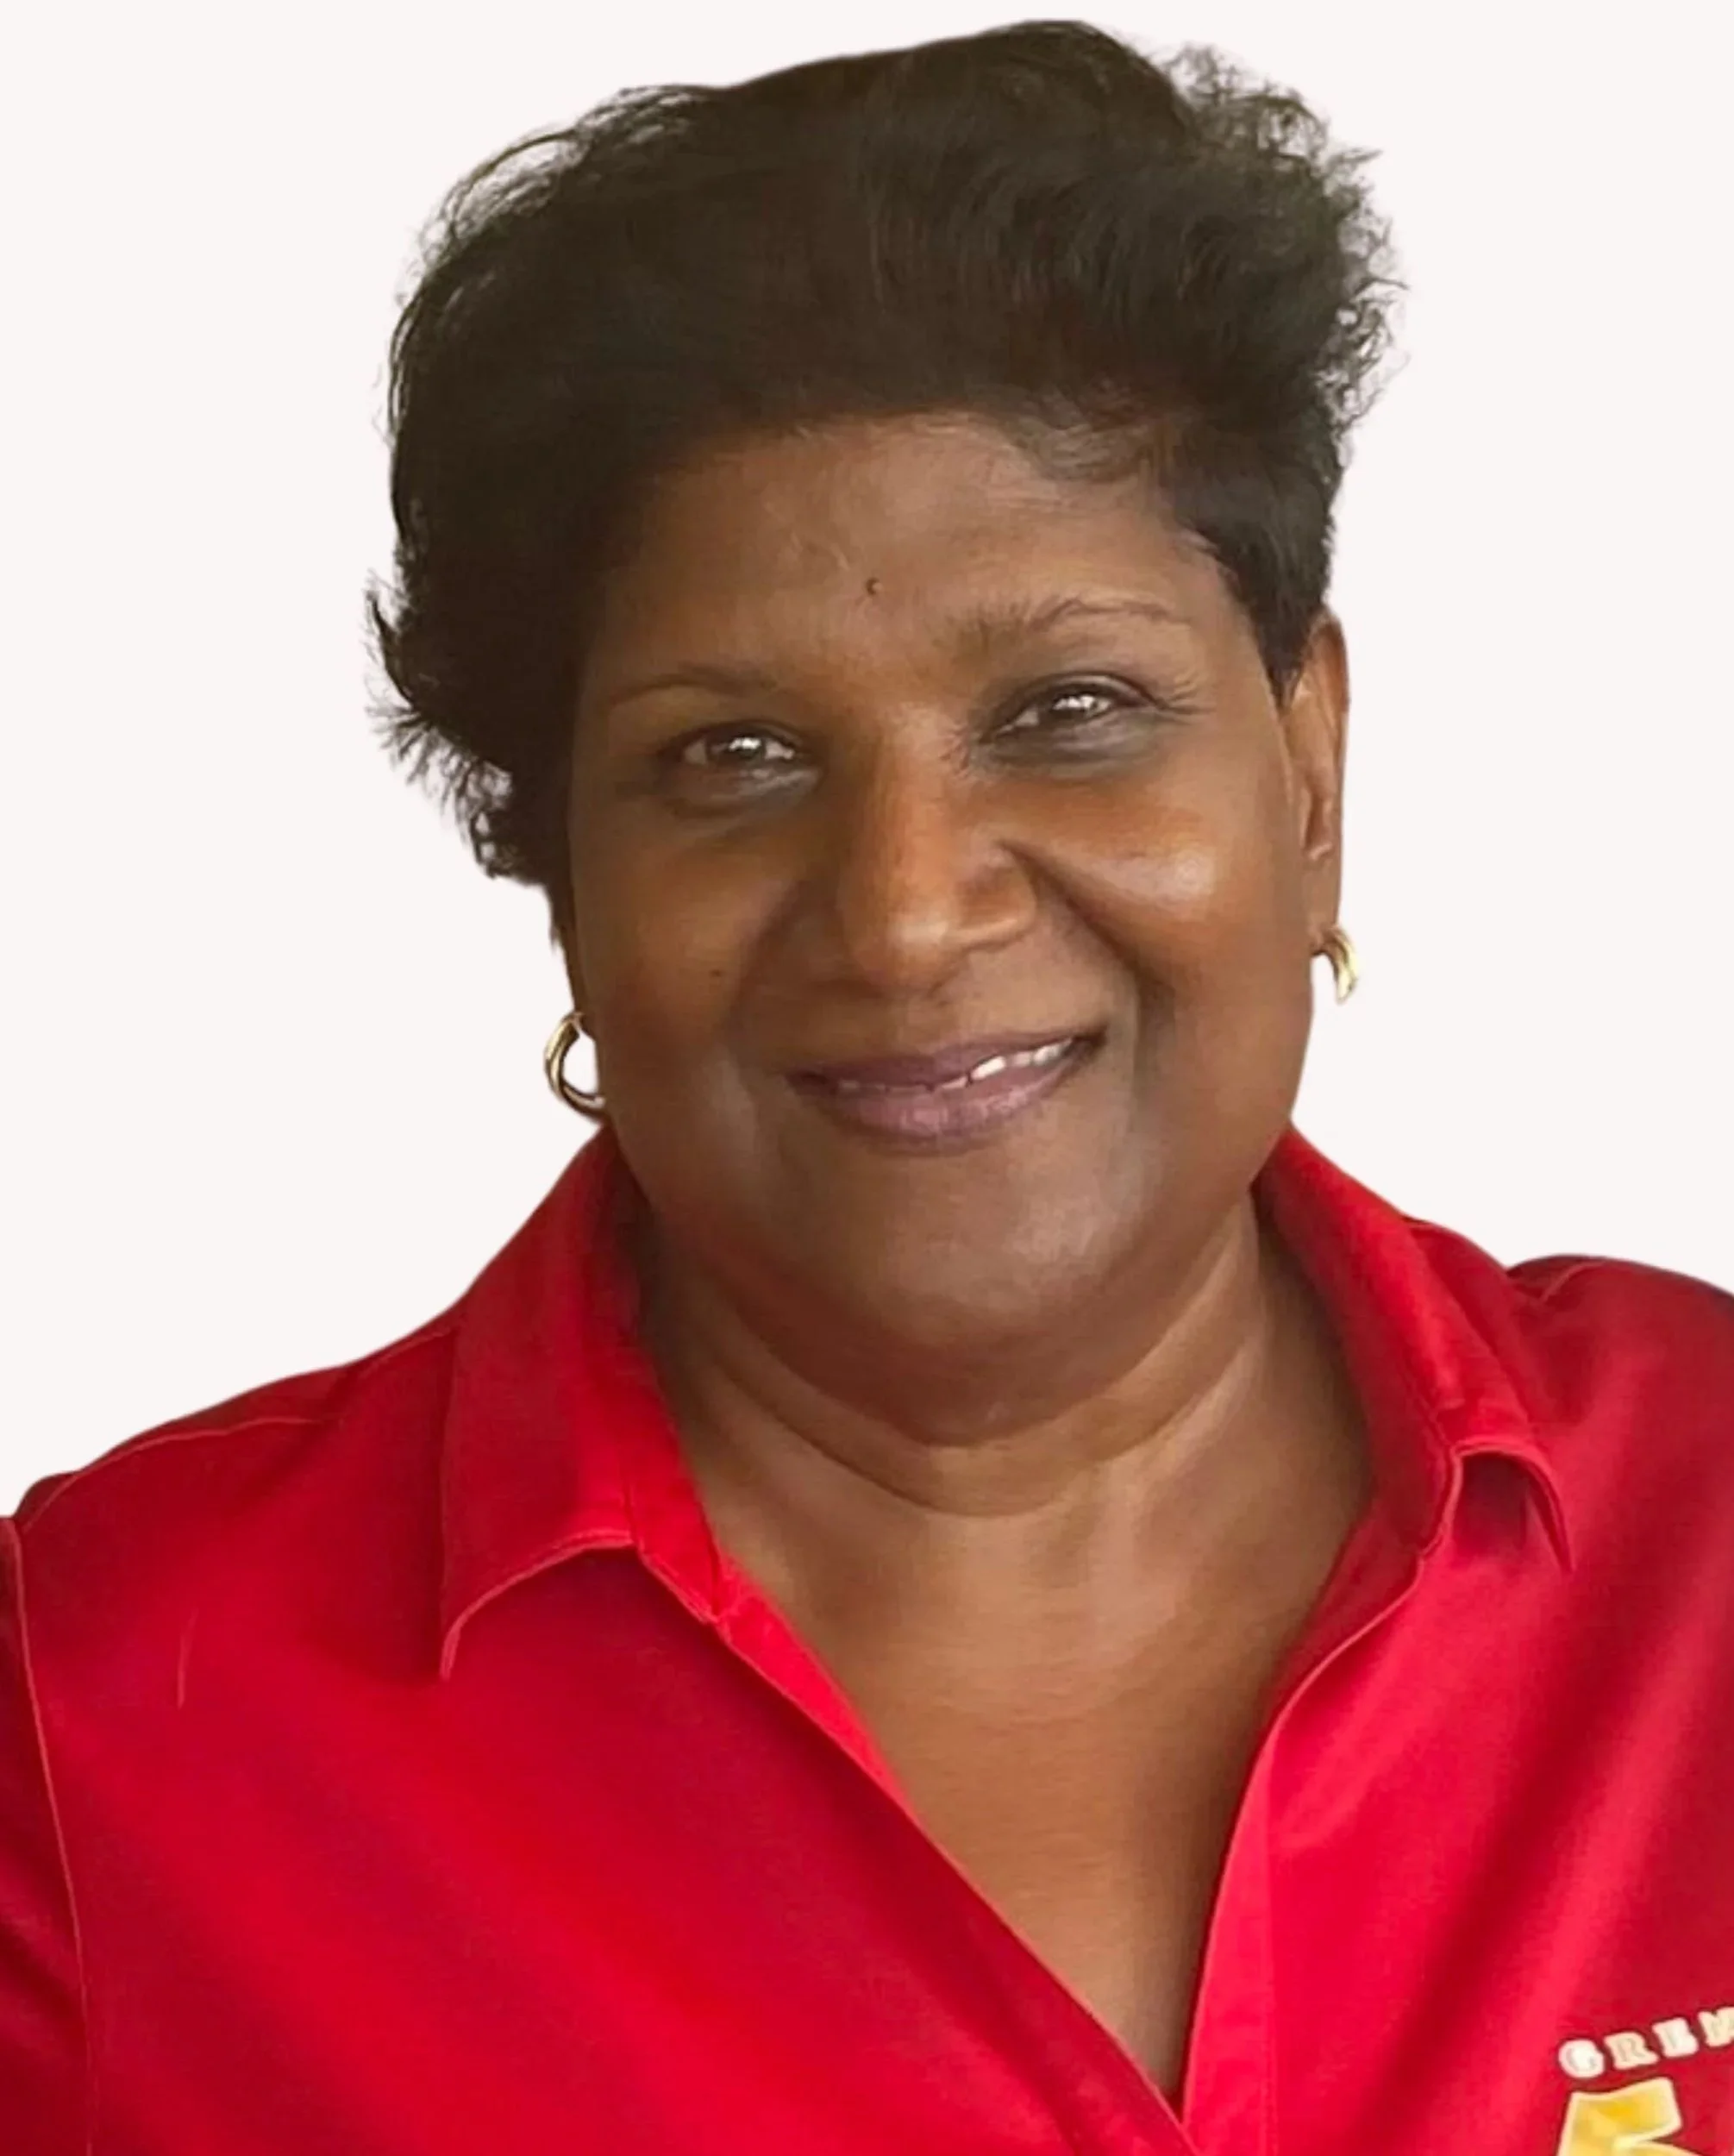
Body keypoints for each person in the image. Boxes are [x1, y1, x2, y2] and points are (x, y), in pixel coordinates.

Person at [3, 19, 1731, 2155]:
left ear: (1307, 762)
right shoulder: (93, 1737)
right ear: (562, 871)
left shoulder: (1711, 1522)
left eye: (1072, 708)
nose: (907, 912)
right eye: (732, 757)